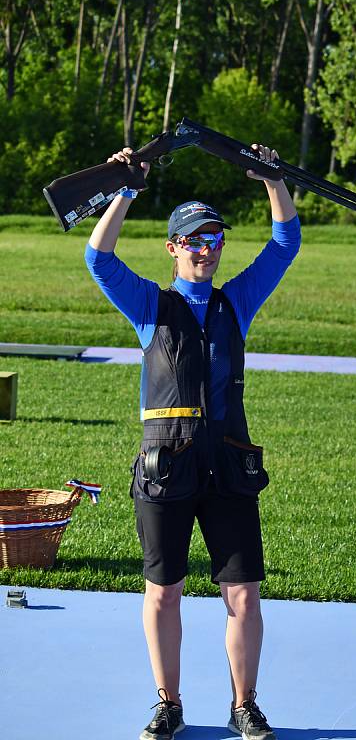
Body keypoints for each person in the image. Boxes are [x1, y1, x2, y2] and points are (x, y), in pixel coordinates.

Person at [84, 143, 300, 740]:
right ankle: (168, 703)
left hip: (228, 465)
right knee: (164, 592)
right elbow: (98, 259)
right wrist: (125, 188)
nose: (206, 250)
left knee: (244, 596)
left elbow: (285, 244)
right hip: (166, 469)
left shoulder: (238, 302)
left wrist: (271, 180)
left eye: (214, 240)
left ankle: (244, 704)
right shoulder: (151, 304)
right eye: (195, 240)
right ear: (174, 248)